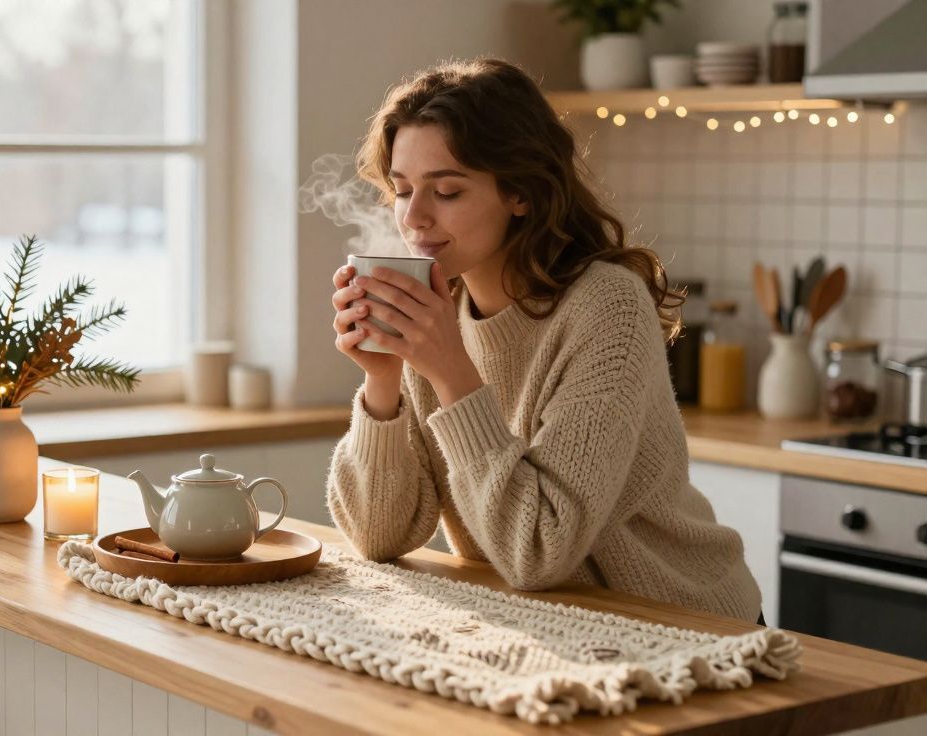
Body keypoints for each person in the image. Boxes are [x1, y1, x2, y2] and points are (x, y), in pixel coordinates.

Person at [326, 58, 762, 624]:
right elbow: (377, 535)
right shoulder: (439, 309)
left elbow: (538, 549)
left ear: (521, 193)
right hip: (549, 623)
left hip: (683, 624)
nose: (415, 218)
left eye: (448, 191)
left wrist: (451, 371)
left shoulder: (607, 307)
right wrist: (381, 381)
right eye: (404, 190)